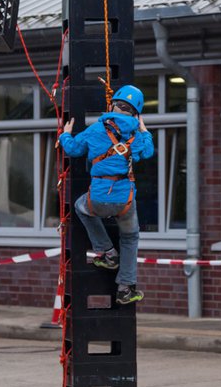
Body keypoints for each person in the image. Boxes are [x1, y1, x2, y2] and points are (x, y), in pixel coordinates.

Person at [58, 84, 154, 305]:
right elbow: (148, 151)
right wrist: (144, 130)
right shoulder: (135, 135)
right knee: (130, 238)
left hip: (98, 199)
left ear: (112, 105)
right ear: (136, 113)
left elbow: (72, 149)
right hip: (125, 201)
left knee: (81, 208)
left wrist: (65, 135)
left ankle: (107, 253)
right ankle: (125, 288)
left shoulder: (96, 129)